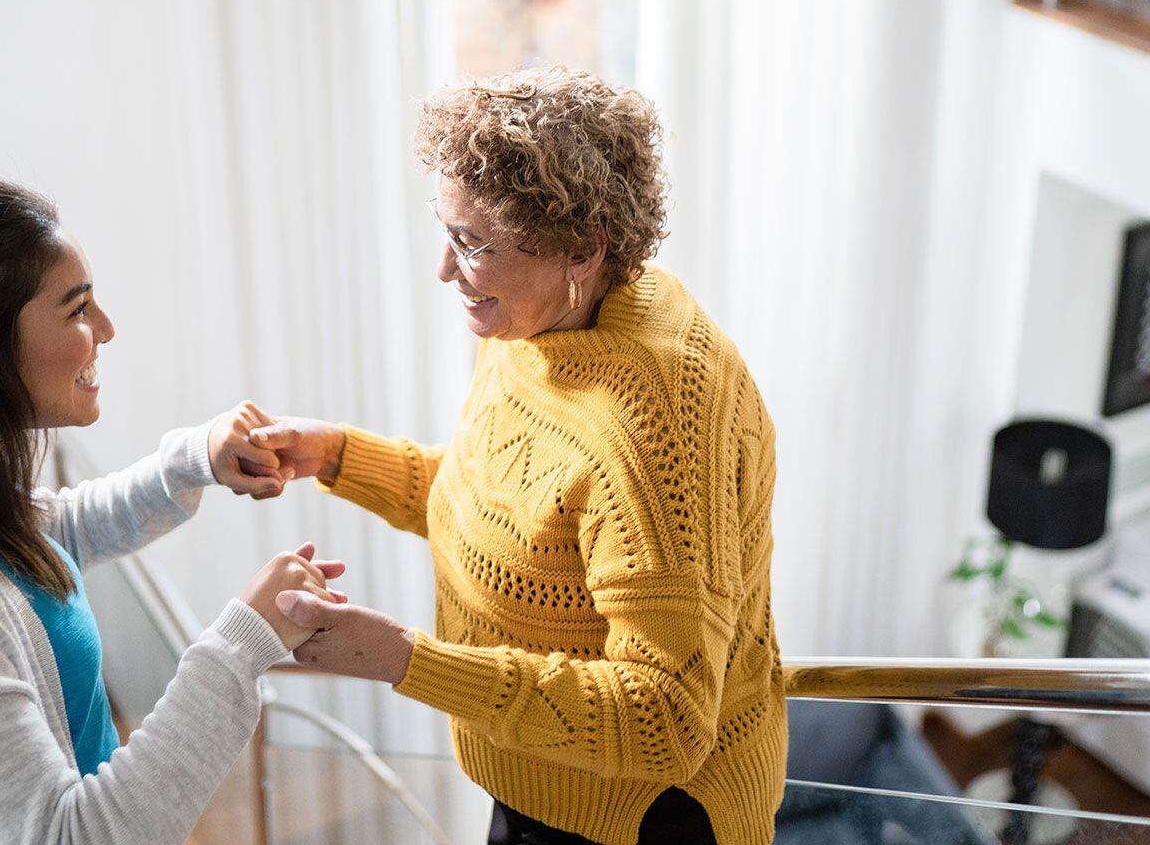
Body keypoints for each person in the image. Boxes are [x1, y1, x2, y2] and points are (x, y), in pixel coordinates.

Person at [246, 67, 788, 845]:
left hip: (639, 819)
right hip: (548, 777)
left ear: (580, 249)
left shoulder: (656, 422)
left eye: (472, 243)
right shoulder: (542, 325)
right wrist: (336, 455)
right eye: (446, 230)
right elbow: (512, 510)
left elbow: (668, 717)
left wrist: (408, 661)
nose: (444, 269)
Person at [0, 175, 340, 844]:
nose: (106, 329)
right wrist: (241, 643)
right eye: (78, 309)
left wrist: (199, 456)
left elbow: (59, 532)